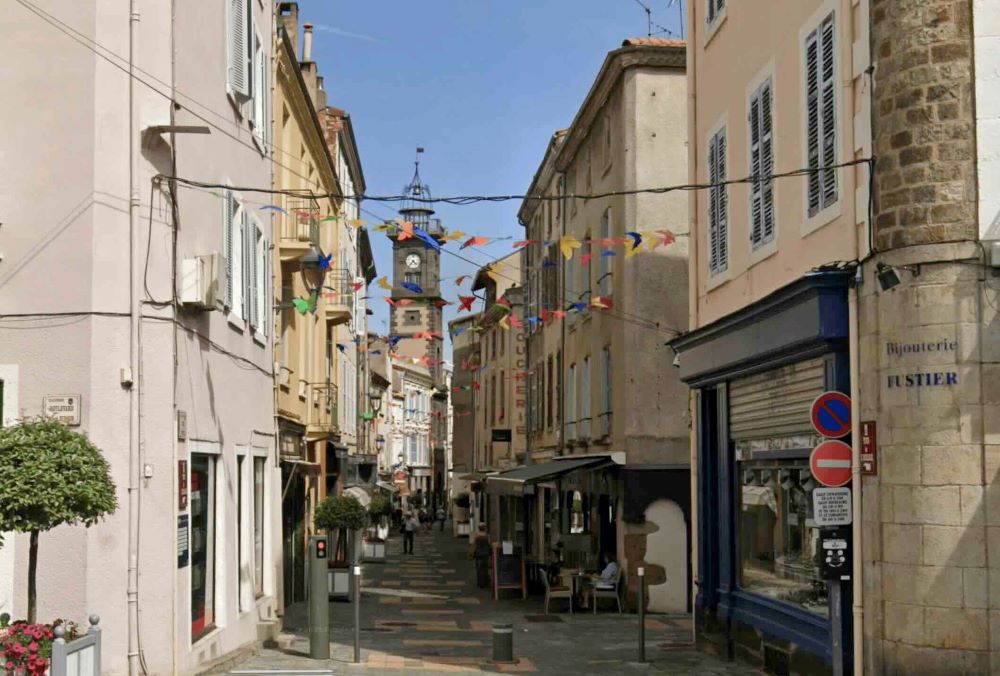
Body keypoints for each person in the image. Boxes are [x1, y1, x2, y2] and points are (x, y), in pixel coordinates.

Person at [470, 523, 491, 588]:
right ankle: (485, 582)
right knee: (485, 568)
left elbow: (473, 545)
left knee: (479, 568)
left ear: (479, 528)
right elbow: (489, 544)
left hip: (478, 553)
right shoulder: (487, 536)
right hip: (485, 553)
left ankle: (480, 583)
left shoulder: (476, 536)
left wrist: (471, 552)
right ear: (484, 528)